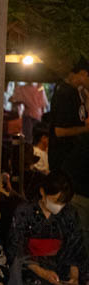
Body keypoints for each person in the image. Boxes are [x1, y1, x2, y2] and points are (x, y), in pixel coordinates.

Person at [7, 170, 88, 285]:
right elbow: (16, 250)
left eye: (63, 202)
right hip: (30, 268)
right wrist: (42, 272)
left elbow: (75, 248)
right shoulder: (24, 212)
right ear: (43, 192)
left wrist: (74, 276)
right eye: (56, 201)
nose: (59, 206)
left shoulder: (69, 214)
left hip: (60, 267)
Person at [48, 57, 89, 196]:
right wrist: (86, 129)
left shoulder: (76, 92)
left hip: (73, 163)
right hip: (64, 163)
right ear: (83, 74)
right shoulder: (64, 93)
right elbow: (59, 131)